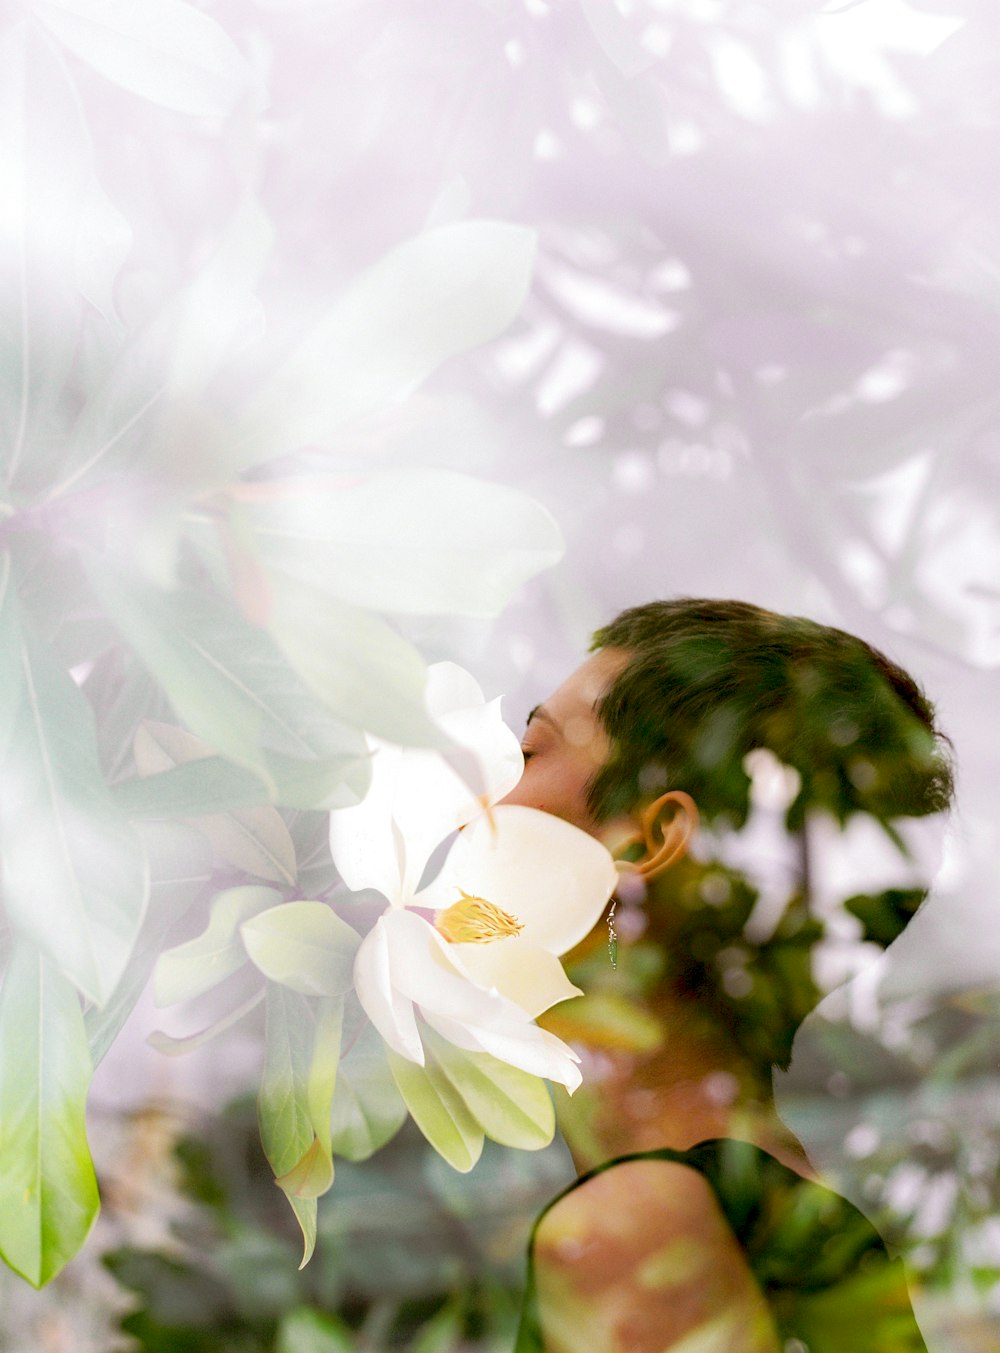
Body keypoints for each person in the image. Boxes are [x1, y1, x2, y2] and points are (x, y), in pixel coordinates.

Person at [499, 599, 954, 1353]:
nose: (477, 802)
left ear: (643, 843)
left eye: (528, 752)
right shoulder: (771, 1214)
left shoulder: (646, 1229)